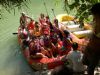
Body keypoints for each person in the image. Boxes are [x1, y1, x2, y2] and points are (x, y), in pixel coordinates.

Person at [82, 3, 100, 75]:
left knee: (90, 69)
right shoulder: (95, 22)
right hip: (91, 48)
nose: (94, 18)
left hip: (96, 51)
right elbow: (93, 35)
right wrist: (88, 46)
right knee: (85, 63)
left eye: (95, 15)